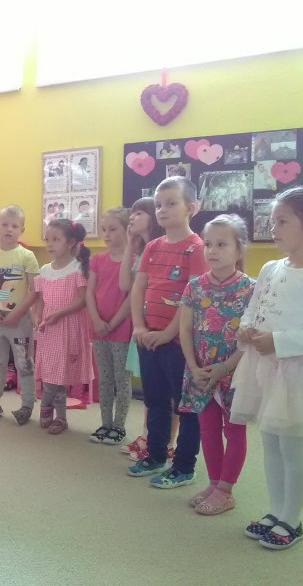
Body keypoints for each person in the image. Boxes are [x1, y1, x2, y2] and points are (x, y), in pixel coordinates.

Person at [231, 187, 303, 550]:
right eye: (272, 221)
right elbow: (253, 307)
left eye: (282, 222)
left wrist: (279, 341)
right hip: (264, 368)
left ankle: (292, 520)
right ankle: (276, 511)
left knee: (292, 449)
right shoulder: (270, 268)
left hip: (296, 375)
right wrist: (245, 329)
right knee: (271, 445)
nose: (272, 228)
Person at [128, 177, 207, 489]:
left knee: (185, 406)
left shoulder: (196, 248)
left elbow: (192, 298)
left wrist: (167, 333)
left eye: (171, 203)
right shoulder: (152, 247)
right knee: (155, 400)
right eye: (159, 204)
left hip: (178, 342)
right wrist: (139, 326)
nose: (162, 210)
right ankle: (156, 455)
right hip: (149, 338)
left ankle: (184, 466)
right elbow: (139, 288)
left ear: (191, 208)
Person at [179, 214, 254, 515]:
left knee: (234, 431)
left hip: (235, 372)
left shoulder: (251, 289)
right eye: (208, 244)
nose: (211, 250)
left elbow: (250, 340)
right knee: (208, 430)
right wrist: (194, 367)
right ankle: (214, 483)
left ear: (239, 248)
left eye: (221, 244)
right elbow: (185, 330)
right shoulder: (194, 287)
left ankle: (226, 490)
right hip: (200, 372)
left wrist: (225, 367)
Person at [0, 205, 39, 425]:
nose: (9, 229)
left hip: (20, 321)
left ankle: (27, 405)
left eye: (14, 226)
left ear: (22, 229)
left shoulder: (27, 256)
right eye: (5, 225)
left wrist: (17, 314)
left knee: (24, 363)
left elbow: (34, 291)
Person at [118, 197, 170, 459]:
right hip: (142, 327)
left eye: (139, 213)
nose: (132, 217)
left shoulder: (164, 249)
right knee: (151, 389)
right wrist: (130, 244)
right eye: (132, 213)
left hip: (161, 328)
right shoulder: (142, 252)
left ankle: (166, 442)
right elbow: (124, 285)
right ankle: (149, 436)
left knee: (166, 392)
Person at [33, 219, 94, 434]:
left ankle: (52, 410)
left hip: (69, 328)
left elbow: (82, 300)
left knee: (60, 376)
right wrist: (37, 316)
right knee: (51, 373)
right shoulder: (44, 270)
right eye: (47, 239)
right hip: (49, 329)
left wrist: (59, 314)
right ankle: (58, 415)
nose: (49, 244)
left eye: (56, 239)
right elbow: (40, 300)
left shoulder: (78, 268)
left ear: (70, 242)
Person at [86, 207, 133, 444]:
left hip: (121, 329)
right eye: (103, 229)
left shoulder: (133, 260)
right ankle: (105, 424)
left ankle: (119, 426)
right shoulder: (97, 260)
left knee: (121, 379)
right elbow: (90, 293)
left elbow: (132, 297)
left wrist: (113, 323)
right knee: (104, 378)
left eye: (112, 229)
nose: (106, 234)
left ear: (127, 230)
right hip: (99, 328)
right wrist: (96, 319)